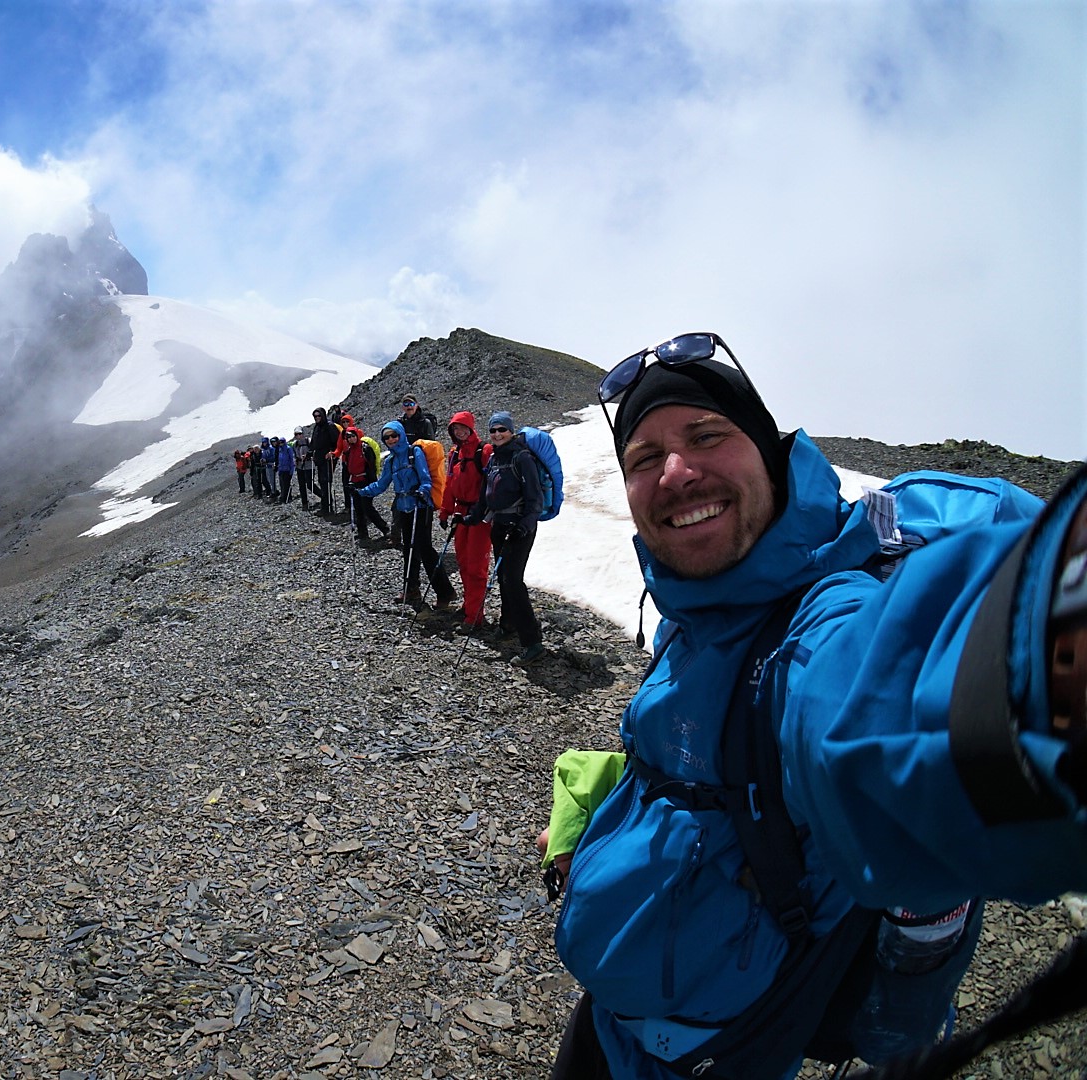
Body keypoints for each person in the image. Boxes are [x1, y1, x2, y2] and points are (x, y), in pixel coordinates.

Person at [543, 331, 1087, 1080]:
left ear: (768, 449)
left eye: (706, 435)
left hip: (712, 1050)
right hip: (613, 1020)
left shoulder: (822, 617)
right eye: (643, 458)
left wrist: (1037, 674)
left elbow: (866, 704)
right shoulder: (698, 602)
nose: (675, 472)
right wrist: (592, 819)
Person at [464, 411, 545, 662]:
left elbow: (535, 499)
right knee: (503, 577)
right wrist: (472, 517)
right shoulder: (495, 459)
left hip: (519, 528)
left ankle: (532, 642)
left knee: (513, 580)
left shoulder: (522, 458)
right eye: (493, 430)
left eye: (502, 430)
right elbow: (485, 494)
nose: (497, 434)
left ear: (511, 431)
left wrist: (524, 525)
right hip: (499, 525)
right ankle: (508, 624)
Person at [360, 419, 458, 614]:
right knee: (409, 549)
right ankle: (411, 589)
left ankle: (445, 593)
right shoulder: (391, 461)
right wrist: (361, 491)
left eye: (394, 435)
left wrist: (423, 491)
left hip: (420, 506)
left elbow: (426, 479)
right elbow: (381, 485)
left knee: (425, 549)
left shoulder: (415, 453)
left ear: (401, 435)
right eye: (387, 437)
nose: (391, 440)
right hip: (404, 507)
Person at [440, 411, 494, 630]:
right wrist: (445, 511)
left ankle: (474, 617)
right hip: (460, 514)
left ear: (471, 428)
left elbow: (493, 485)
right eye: (455, 429)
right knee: (463, 562)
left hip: (479, 516)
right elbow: (449, 484)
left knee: (476, 567)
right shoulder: (455, 453)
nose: (459, 432)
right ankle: (469, 607)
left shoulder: (485, 451)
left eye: (462, 428)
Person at [339, 425, 391, 545]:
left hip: (365, 481)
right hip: (355, 481)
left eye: (352, 436)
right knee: (358, 508)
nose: (351, 439)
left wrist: (372, 483)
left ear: (357, 436)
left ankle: (385, 529)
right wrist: (347, 483)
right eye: (348, 437)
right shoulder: (349, 452)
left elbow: (371, 466)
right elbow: (347, 468)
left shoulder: (365, 448)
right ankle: (363, 532)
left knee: (367, 507)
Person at [310, 408, 340, 514]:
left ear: (323, 415)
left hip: (328, 458)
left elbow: (337, 442)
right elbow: (314, 442)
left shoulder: (330, 426)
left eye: (319, 416)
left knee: (326, 482)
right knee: (322, 482)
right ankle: (325, 505)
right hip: (319, 459)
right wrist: (310, 452)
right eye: (315, 416)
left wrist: (332, 452)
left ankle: (327, 507)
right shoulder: (317, 428)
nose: (317, 418)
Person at [294, 429, 314, 511]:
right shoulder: (295, 444)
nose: (298, 436)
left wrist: (308, 456)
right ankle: (304, 503)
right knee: (302, 486)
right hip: (300, 466)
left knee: (309, 484)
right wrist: (295, 459)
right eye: (296, 434)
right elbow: (294, 454)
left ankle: (322, 496)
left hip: (309, 466)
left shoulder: (308, 441)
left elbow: (313, 451)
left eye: (300, 434)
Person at [275, 435, 295, 503]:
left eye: (282, 442)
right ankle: (283, 496)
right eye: (280, 442)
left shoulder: (288, 449)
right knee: (282, 484)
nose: (281, 443)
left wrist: (291, 470)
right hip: (281, 469)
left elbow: (291, 460)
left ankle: (287, 497)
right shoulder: (279, 449)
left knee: (286, 484)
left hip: (287, 469)